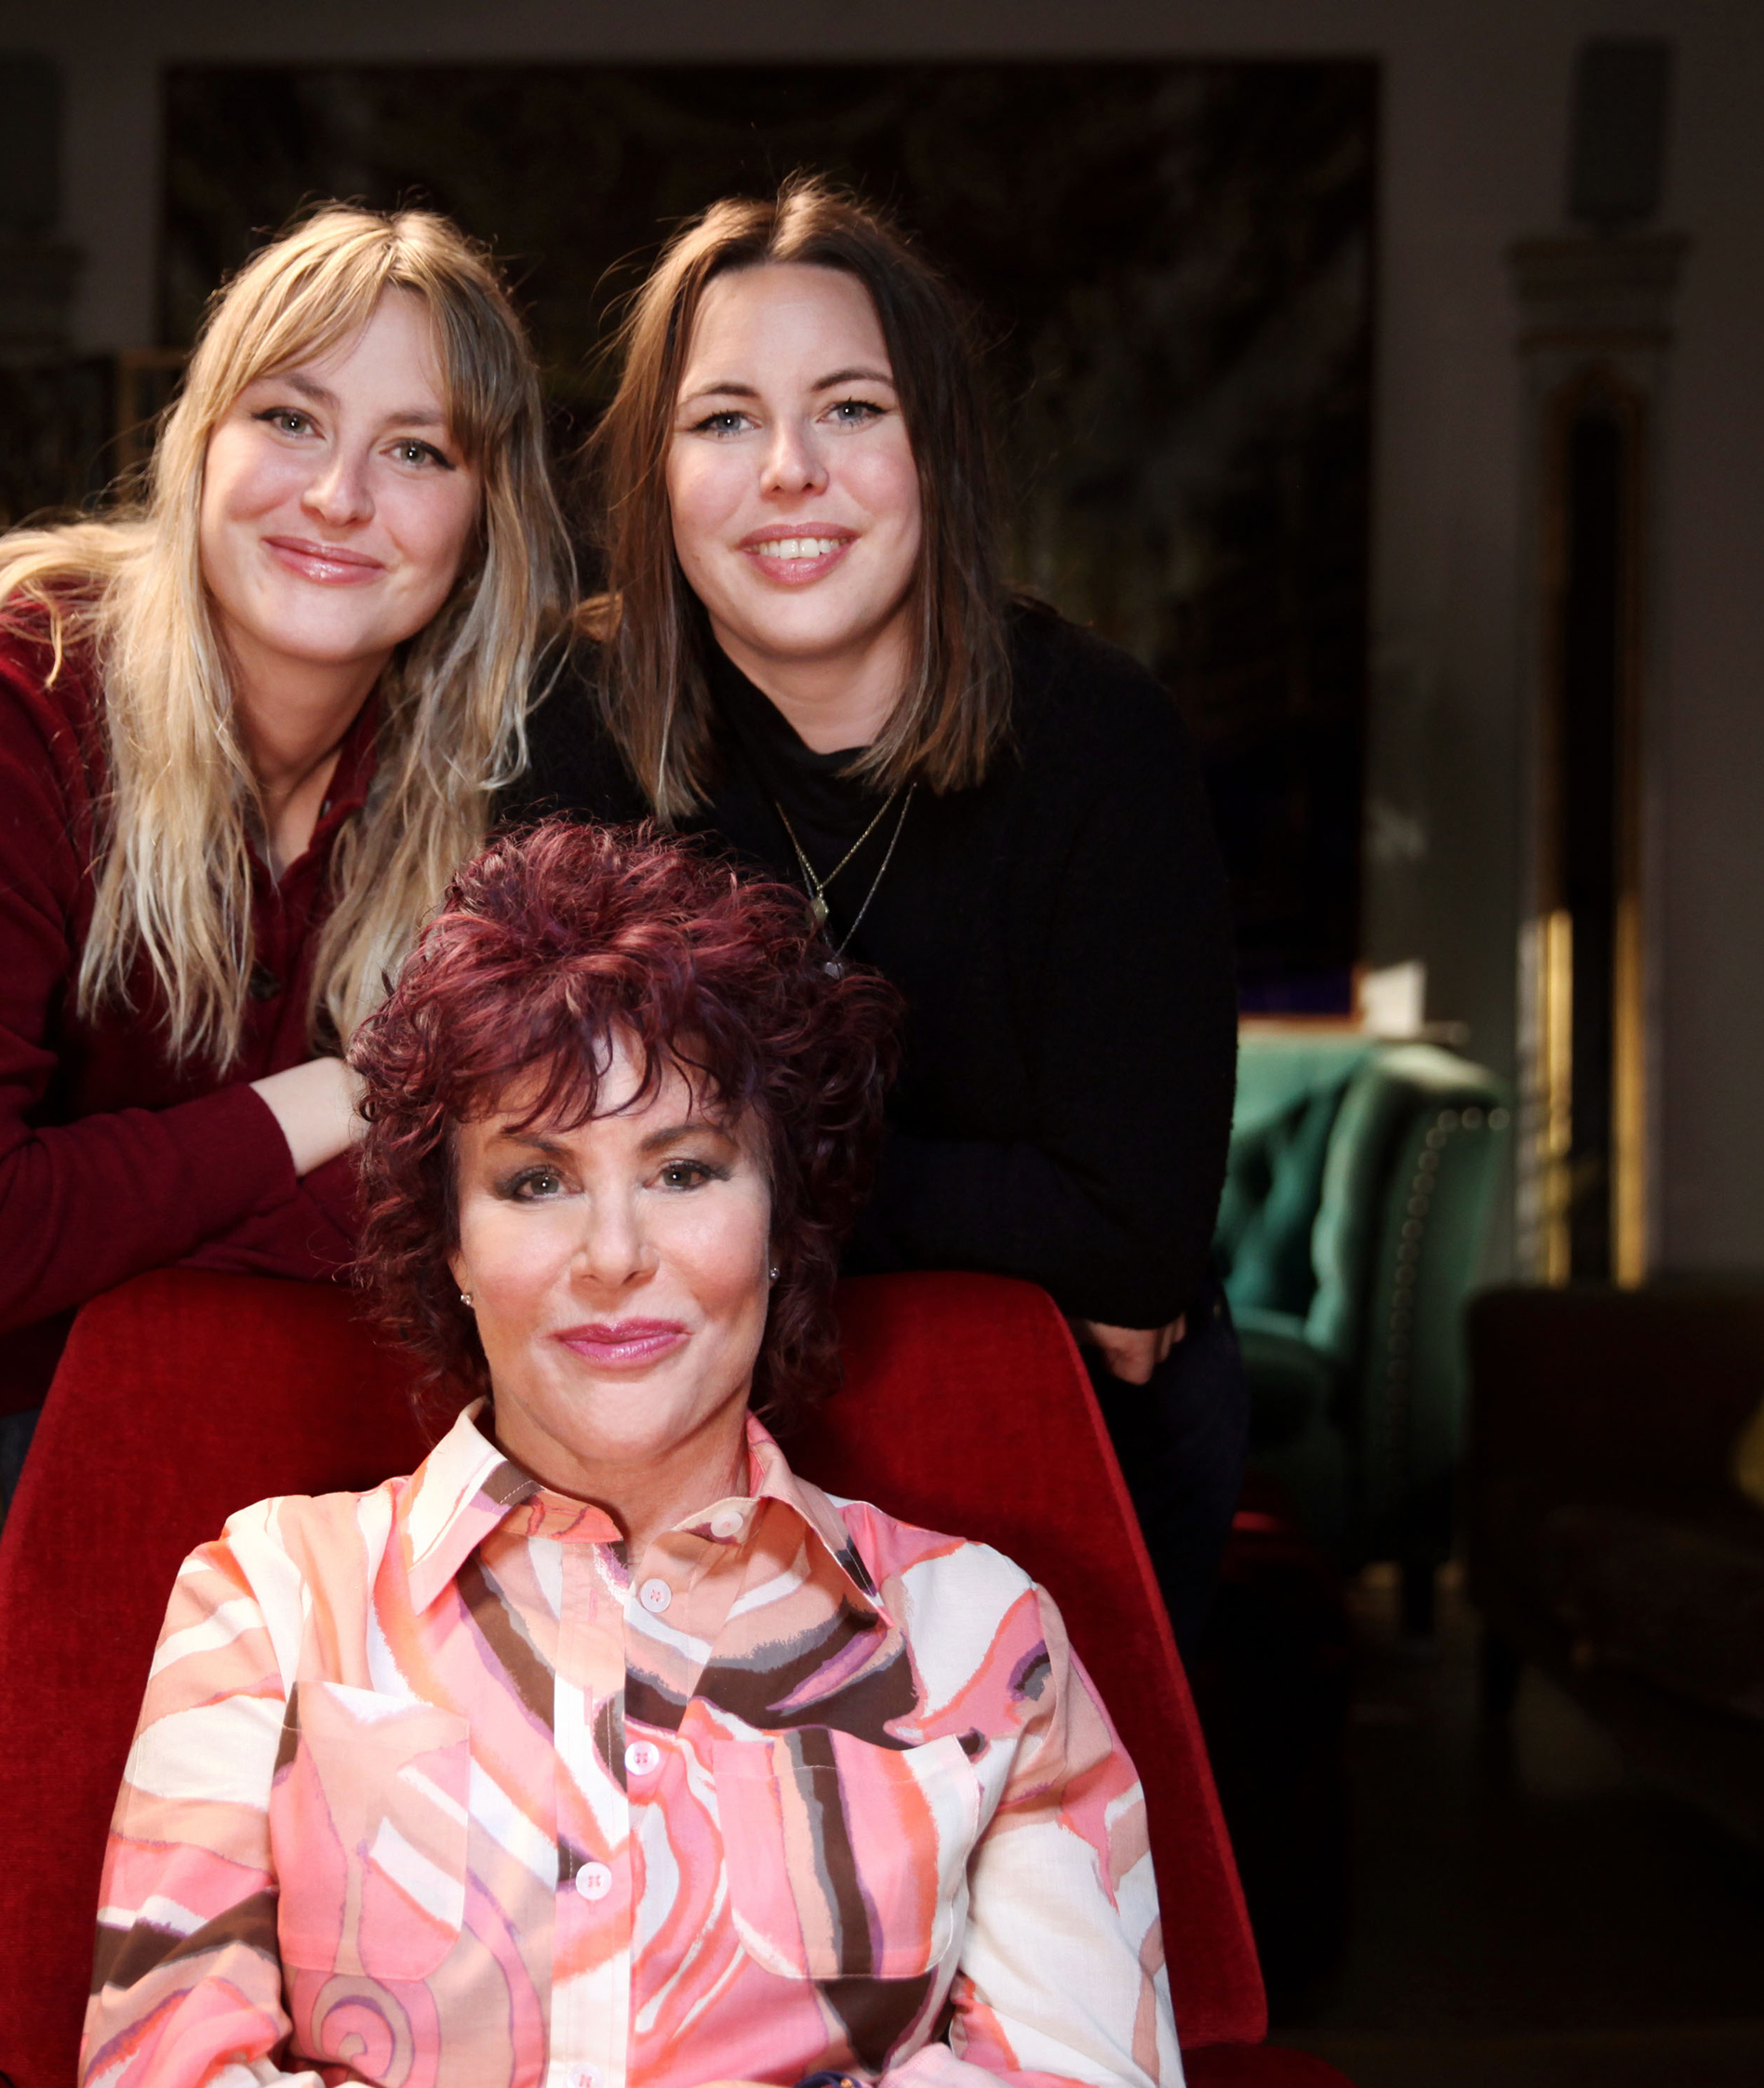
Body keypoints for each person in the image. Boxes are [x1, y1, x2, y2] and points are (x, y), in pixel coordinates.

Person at [0, 203, 570, 2064]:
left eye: (415, 449)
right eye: (289, 418)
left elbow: (452, 1212)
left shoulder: (497, 767)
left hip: (62, 1217)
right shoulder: (18, 688)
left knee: (134, 1776)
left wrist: (31, 1177)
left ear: (484, 512)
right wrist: (341, 1101)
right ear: (196, 440)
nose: (338, 494)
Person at [78, 821, 1183, 2088]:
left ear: (780, 1221)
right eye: (535, 1183)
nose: (611, 1255)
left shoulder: (981, 1636)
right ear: (450, 1241)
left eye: (684, 1169)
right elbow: (160, 2071)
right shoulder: (266, 1600)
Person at [504, 179, 1245, 1651]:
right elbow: (554, 1171)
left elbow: (1132, 1233)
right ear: (656, 474)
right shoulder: (567, 728)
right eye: (721, 420)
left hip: (1066, 1457)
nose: (788, 469)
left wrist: (718, 1172)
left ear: (937, 452)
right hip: (667, 1446)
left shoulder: (1097, 737)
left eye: (850, 409)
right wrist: (993, 1216)